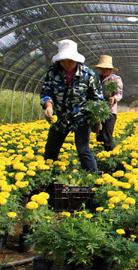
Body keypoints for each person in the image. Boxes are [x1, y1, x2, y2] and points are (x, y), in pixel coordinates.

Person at [40, 39, 103, 172]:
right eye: (63, 61)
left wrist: (96, 117)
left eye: (70, 61)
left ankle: (93, 180)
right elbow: (46, 91)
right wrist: (48, 106)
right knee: (51, 149)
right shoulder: (53, 72)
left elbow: (97, 98)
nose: (66, 64)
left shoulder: (88, 74)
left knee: (83, 150)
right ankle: (47, 178)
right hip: (61, 117)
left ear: (76, 59)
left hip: (81, 118)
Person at [93, 55, 123, 151]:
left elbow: (119, 93)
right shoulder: (96, 79)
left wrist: (114, 98)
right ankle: (99, 156)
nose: (104, 70)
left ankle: (111, 155)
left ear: (110, 69)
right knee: (99, 135)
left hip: (110, 111)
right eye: (102, 68)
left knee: (107, 135)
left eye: (107, 68)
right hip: (97, 111)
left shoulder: (115, 79)